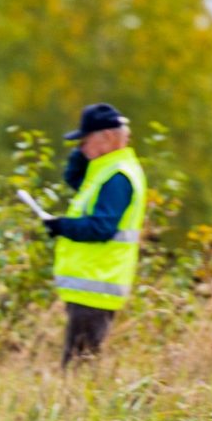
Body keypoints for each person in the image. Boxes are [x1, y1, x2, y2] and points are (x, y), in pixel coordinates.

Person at [45, 102, 148, 365]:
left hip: (97, 285)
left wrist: (61, 226)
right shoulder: (105, 170)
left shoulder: (117, 177)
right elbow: (73, 178)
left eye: (85, 141)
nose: (81, 148)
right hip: (90, 285)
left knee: (78, 367)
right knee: (78, 364)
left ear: (109, 138)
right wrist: (84, 152)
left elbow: (102, 228)